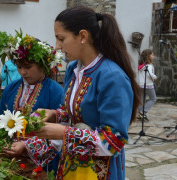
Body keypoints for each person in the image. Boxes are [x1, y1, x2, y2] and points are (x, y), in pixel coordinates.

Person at [23, 6, 140, 180]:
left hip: (101, 171)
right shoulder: (74, 69)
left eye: (61, 38)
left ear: (83, 36)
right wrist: (54, 115)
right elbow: (75, 114)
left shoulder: (111, 76)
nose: (57, 46)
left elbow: (113, 142)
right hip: (72, 165)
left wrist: (63, 133)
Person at [0, 31, 64, 173]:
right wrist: (3, 143)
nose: (23, 72)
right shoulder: (10, 89)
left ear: (43, 65)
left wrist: (27, 146)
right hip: (11, 156)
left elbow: (59, 133)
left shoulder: (55, 91)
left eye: (28, 67)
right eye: (19, 67)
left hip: (44, 162)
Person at [137, 49, 157, 121]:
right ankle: (143, 111)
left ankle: (139, 113)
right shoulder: (149, 65)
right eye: (152, 55)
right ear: (148, 56)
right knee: (153, 98)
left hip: (141, 85)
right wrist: (155, 77)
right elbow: (150, 74)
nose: (153, 56)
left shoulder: (141, 65)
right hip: (148, 85)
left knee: (142, 99)